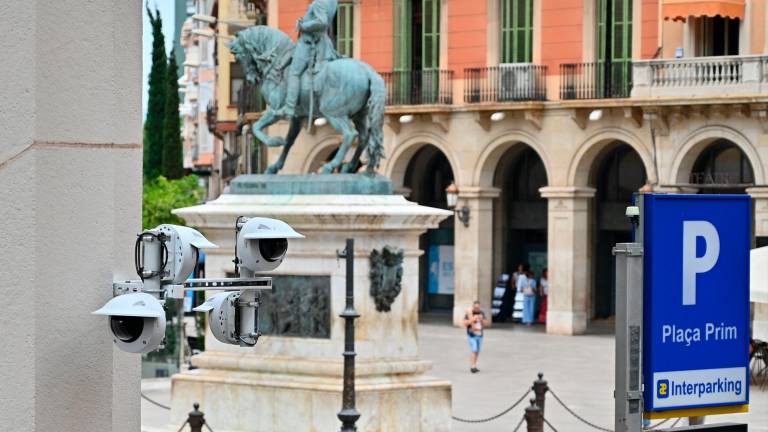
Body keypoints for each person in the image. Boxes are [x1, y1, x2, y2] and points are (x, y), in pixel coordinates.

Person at [275, 0, 339, 119]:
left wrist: (303, 25)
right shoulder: (332, 2)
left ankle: (289, 107)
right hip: (320, 41)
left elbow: (322, 22)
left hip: (308, 43)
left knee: (294, 73)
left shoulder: (319, 3)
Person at [463, 301, 490, 373]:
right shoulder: (469, 313)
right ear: (473, 307)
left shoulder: (481, 313)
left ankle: (474, 365)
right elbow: (464, 323)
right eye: (475, 307)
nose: (476, 309)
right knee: (474, 349)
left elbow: (487, 323)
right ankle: (472, 366)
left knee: (477, 351)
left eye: (478, 307)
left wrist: (481, 320)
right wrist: (472, 319)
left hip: (480, 335)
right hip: (471, 335)